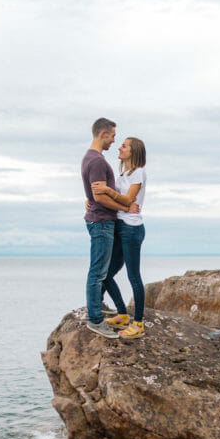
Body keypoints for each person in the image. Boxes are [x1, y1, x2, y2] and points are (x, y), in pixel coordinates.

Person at [81, 118, 139, 339]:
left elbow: (96, 196)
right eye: (113, 136)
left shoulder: (92, 158)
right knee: (98, 272)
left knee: (105, 271)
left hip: (103, 220)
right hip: (102, 222)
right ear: (103, 133)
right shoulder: (96, 161)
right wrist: (125, 205)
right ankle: (95, 319)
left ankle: (99, 305)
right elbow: (99, 197)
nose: (114, 141)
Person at [92, 137, 147, 339]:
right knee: (105, 274)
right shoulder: (123, 173)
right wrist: (92, 202)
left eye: (124, 146)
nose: (119, 147)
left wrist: (107, 190)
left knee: (134, 276)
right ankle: (122, 314)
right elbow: (114, 200)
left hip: (132, 229)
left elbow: (128, 200)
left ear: (133, 152)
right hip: (119, 226)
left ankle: (138, 324)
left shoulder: (139, 173)